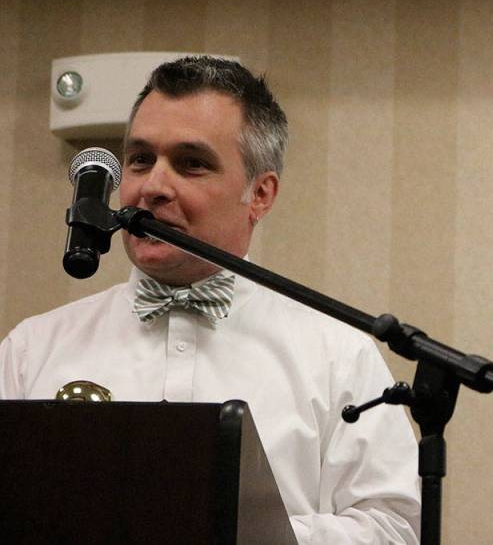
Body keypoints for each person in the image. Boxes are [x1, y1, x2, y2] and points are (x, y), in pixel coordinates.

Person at [0, 56, 421, 544]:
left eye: (191, 163)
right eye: (140, 159)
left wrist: (243, 532)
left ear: (260, 195)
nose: (152, 187)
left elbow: (395, 528)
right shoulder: (33, 349)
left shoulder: (339, 354)